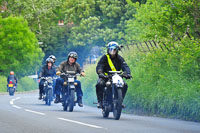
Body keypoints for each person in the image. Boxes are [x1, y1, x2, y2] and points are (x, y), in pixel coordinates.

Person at [95, 41, 132, 108]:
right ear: (108, 50)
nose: (112, 52)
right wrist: (100, 73)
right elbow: (100, 65)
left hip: (117, 76)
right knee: (99, 84)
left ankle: (120, 101)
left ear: (117, 50)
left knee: (125, 85)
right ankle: (100, 101)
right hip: (106, 77)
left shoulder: (120, 58)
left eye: (114, 50)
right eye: (111, 49)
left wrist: (128, 73)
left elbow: (125, 66)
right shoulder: (104, 57)